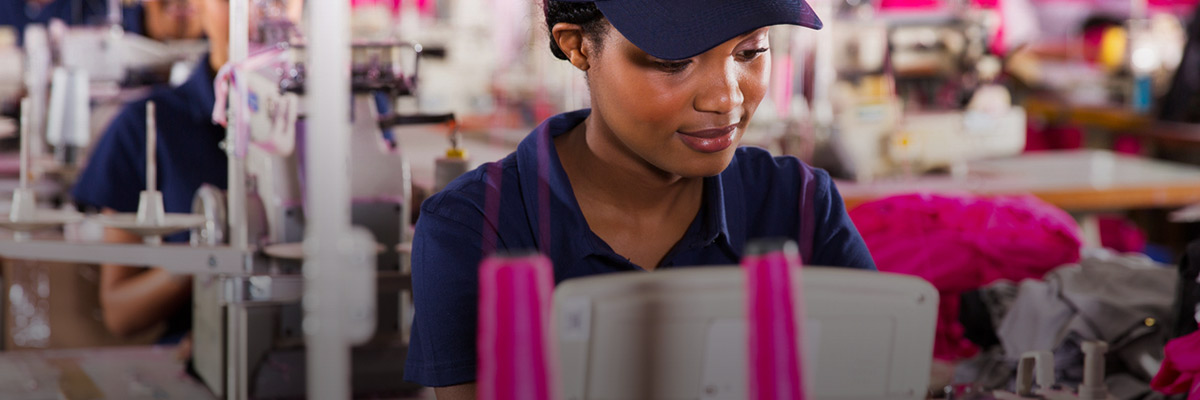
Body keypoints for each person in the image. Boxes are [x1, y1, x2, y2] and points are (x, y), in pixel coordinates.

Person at [405, 0, 877, 398]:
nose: (726, 97)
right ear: (578, 46)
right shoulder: (475, 226)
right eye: (674, 62)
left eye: (750, 51)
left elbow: (873, 372)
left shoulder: (797, 203)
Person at [70, 0, 230, 342]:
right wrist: (209, 251)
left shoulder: (340, 126)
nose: (258, 14)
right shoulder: (147, 125)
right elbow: (120, 313)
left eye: (277, 2)